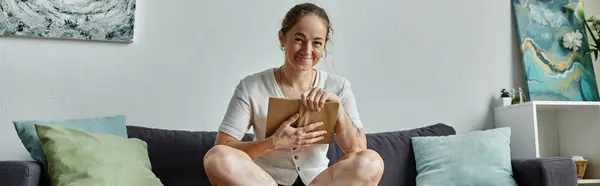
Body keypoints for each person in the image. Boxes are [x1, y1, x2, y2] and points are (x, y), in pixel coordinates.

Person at [203, 3, 384, 186]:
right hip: (263, 181)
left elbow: (358, 149)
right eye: (299, 39)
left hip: (320, 182)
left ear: (324, 46)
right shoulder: (252, 86)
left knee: (372, 162)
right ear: (282, 38)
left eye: (317, 43)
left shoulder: (339, 86)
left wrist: (337, 108)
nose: (307, 50)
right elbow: (224, 146)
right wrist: (273, 143)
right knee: (216, 157)